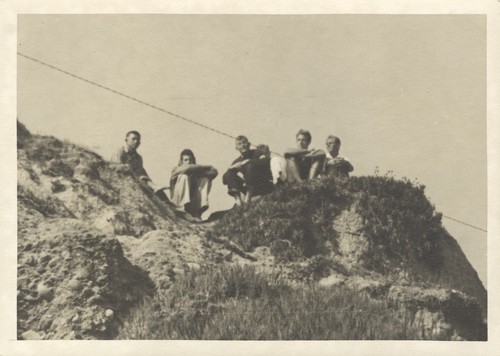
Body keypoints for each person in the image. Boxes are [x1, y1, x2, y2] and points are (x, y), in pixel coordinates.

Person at [114, 131, 168, 198]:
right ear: (126, 140)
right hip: (124, 178)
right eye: (133, 139)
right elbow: (116, 167)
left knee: (159, 193)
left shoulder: (138, 157)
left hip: (138, 180)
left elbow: (141, 172)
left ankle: (168, 202)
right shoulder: (120, 151)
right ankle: (153, 186)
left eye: (138, 140)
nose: (136, 141)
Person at [222, 136, 274, 206]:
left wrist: (249, 161)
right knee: (230, 172)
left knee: (250, 166)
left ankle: (248, 197)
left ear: (249, 144)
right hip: (247, 187)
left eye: (244, 142)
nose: (242, 145)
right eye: (239, 144)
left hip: (262, 184)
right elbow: (224, 180)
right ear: (236, 148)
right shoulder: (237, 161)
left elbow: (266, 161)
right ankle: (238, 200)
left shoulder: (257, 152)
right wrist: (231, 168)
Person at [170, 149, 218, 221]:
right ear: (181, 161)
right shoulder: (176, 169)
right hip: (178, 202)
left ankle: (198, 212)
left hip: (192, 203)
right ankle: (182, 209)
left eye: (190, 159)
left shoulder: (195, 170)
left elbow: (214, 172)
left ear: (193, 160)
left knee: (205, 179)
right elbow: (187, 168)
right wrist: (206, 167)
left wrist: (199, 172)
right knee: (184, 177)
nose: (188, 162)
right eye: (185, 160)